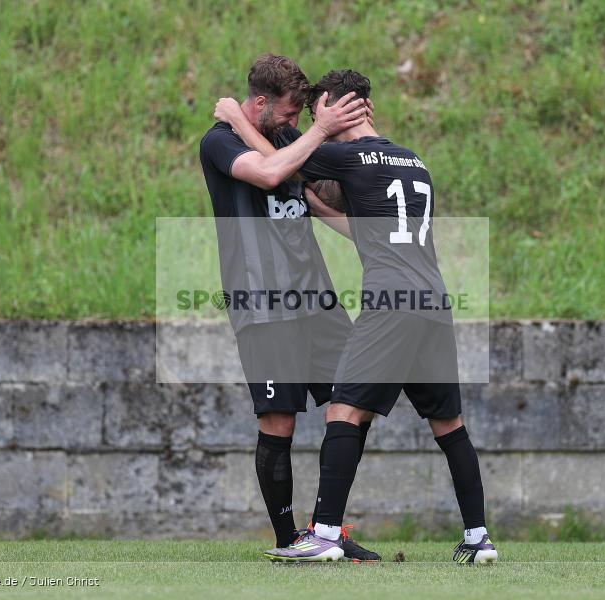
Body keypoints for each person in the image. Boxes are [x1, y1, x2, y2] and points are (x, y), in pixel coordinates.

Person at [216, 69, 497, 565]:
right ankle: (478, 539)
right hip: (434, 301)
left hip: (391, 304)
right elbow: (370, 230)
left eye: (316, 113)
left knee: (343, 410)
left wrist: (236, 118)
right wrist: (317, 207)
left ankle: (324, 533)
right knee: (449, 425)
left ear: (334, 107)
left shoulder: (346, 156)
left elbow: (275, 167)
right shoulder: (412, 161)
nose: (312, 125)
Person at [198, 55, 379, 562]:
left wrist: (350, 136)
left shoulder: (284, 136)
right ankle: (287, 540)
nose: (294, 122)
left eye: (301, 115)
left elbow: (322, 192)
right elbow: (269, 174)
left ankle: (325, 528)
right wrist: (316, 131)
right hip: (263, 301)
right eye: (289, 112)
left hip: (316, 297)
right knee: (280, 422)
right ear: (260, 102)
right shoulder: (219, 141)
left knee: (357, 398)